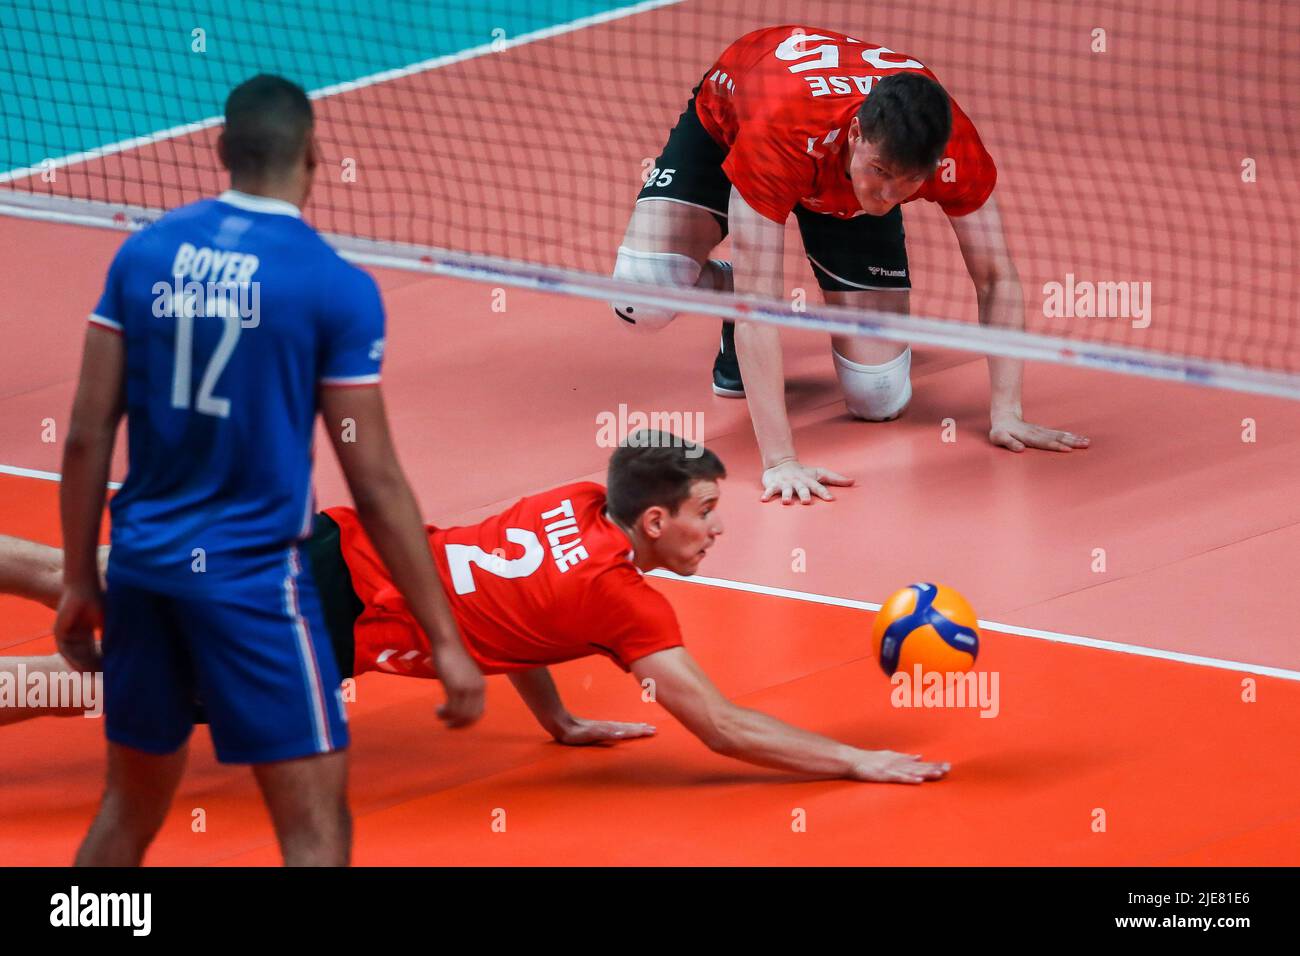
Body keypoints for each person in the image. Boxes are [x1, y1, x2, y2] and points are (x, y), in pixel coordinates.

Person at [54, 74, 484, 867]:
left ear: (221, 149)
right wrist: (445, 638)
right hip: (253, 583)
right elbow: (376, 480)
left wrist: (83, 579)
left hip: (144, 574)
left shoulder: (143, 253)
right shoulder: (334, 286)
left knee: (128, 809)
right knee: (315, 831)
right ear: (315, 155)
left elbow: (84, 437)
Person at [8, 435, 948, 785]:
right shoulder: (629, 606)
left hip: (327, 545)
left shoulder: (578, 499)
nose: (718, 532)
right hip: (328, 621)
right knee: (97, 677)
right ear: (654, 521)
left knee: (80, 575)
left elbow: (505, 614)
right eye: (707, 514)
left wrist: (560, 716)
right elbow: (721, 726)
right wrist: (855, 759)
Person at [613, 25, 1089, 504]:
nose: (886, 197)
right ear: (858, 133)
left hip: (835, 184)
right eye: (880, 173)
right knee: (641, 296)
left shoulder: (951, 147)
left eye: (907, 184)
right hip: (736, 131)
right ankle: (729, 297)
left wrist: (1007, 410)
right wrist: (781, 461)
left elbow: (995, 277)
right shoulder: (782, 129)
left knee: (879, 397)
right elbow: (761, 306)